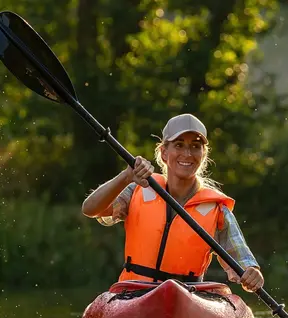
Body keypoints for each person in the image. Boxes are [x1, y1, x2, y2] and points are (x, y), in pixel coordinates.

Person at [81, 113, 265, 292]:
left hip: (188, 297)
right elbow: (90, 209)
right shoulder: (138, 190)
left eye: (195, 146)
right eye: (179, 145)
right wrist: (126, 176)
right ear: (163, 153)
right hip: (133, 293)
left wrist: (253, 273)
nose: (187, 153)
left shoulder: (216, 209)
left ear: (203, 154)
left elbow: (245, 266)